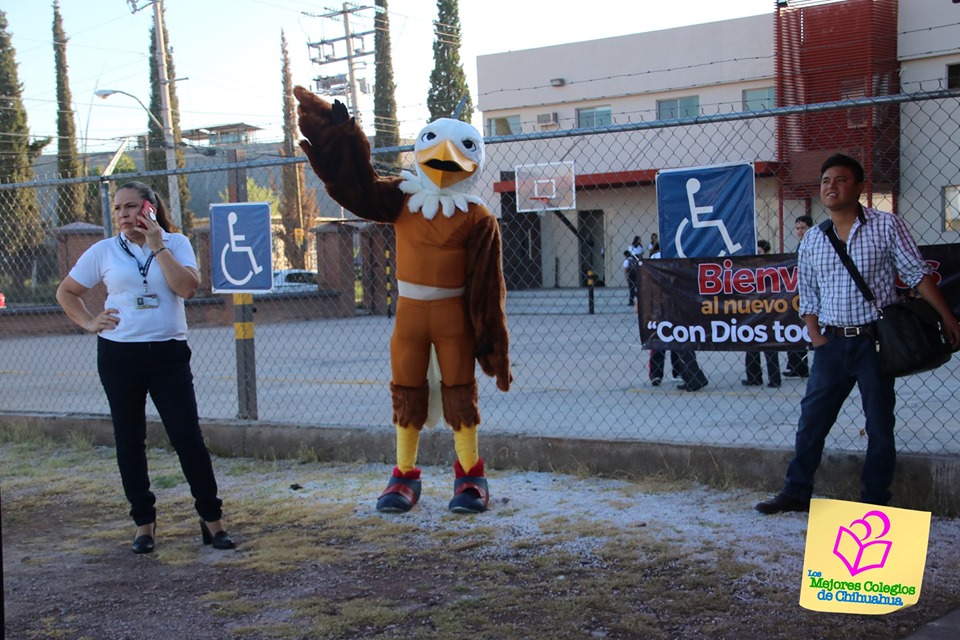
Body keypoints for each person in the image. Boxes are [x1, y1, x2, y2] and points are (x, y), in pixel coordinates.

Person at [756, 154, 960, 514]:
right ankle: (796, 491)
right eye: (825, 181)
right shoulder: (813, 239)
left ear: (860, 187)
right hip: (831, 345)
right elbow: (808, 294)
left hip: (874, 344)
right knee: (811, 423)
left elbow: (916, 274)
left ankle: (875, 502)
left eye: (840, 180)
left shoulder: (886, 225)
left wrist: (947, 317)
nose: (830, 187)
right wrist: (817, 337)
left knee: (880, 426)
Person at [56, 182, 236, 553]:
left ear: (150, 209)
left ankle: (212, 521)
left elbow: (186, 288)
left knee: (188, 439)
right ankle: (144, 524)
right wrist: (90, 322)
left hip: (168, 354)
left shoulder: (177, 243)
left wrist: (158, 245)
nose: (123, 214)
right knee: (129, 441)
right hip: (119, 355)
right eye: (118, 208)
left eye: (131, 207)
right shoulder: (103, 250)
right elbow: (66, 292)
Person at [743, 240, 782, 388]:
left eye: (759, 252)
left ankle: (774, 378)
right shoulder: (751, 267)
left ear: (766, 252)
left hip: (768, 308)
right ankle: (753, 377)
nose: (757, 255)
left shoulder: (772, 267)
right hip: (753, 308)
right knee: (750, 342)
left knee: (769, 345)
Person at [785, 215, 814, 378]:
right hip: (797, 295)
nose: (800, 231)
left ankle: (800, 366)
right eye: (797, 228)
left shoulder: (813, 246)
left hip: (810, 294)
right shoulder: (799, 247)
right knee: (794, 328)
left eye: (803, 227)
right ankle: (796, 365)